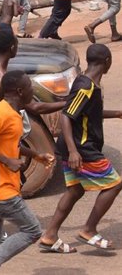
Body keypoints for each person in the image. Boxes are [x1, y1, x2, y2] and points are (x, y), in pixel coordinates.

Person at [0, 70, 55, 275]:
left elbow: (11, 144)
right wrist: (6, 160)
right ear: (20, 91)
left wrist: (37, 155)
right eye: (31, 87)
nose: (33, 90)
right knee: (32, 231)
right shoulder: (0, 113)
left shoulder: (12, 114)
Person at [39, 44, 122, 253]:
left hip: (76, 146)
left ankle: (50, 235)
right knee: (114, 184)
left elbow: (89, 114)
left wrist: (117, 113)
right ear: (107, 61)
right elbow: (67, 116)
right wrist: (74, 150)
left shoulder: (87, 83)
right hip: (82, 148)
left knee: (75, 190)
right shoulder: (86, 87)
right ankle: (89, 230)